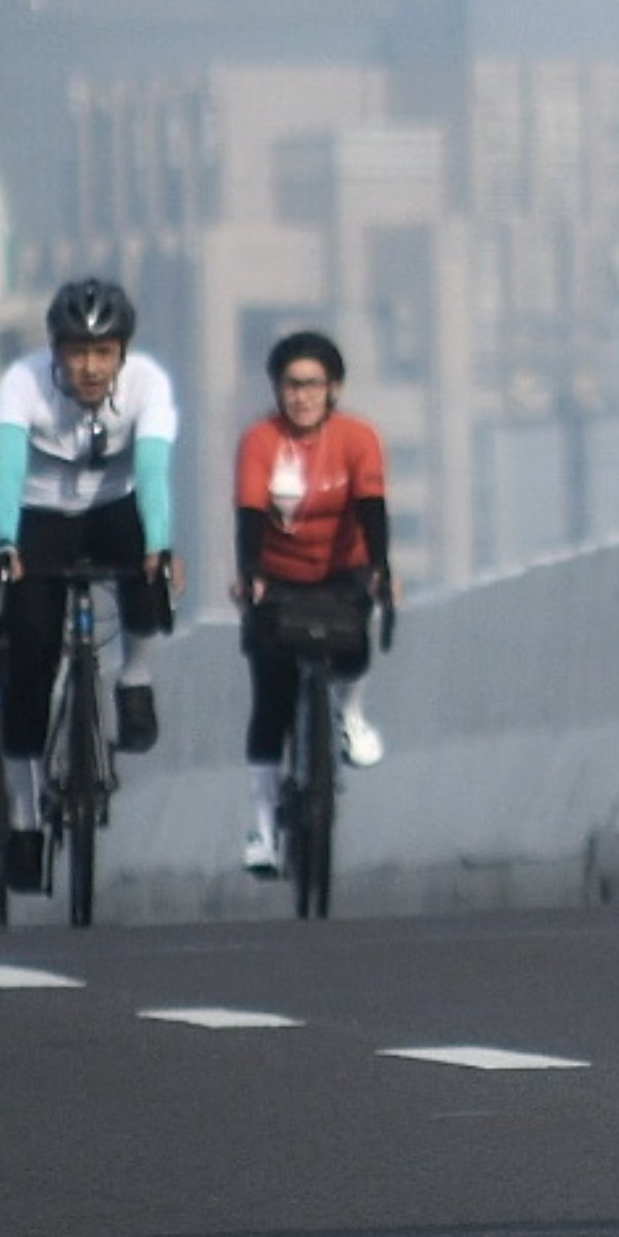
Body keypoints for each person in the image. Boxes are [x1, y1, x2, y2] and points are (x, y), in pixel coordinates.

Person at [0, 278, 181, 893]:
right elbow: (9, 468)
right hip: (41, 518)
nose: (90, 367)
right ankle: (23, 824)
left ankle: (135, 678)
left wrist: (158, 545)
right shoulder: (22, 382)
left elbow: (151, 471)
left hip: (113, 507)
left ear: (122, 353)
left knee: (149, 572)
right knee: (29, 664)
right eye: (76, 353)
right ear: (55, 353)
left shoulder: (149, 383)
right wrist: (5, 542)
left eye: (102, 353)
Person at [231, 329, 396, 877]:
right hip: (278, 575)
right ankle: (262, 827)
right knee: (271, 699)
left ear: (334, 389)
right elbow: (250, 513)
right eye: (291, 386)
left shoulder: (358, 438)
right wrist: (249, 574)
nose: (301, 397)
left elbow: (372, 505)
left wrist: (381, 569)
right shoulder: (261, 440)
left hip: (339, 568)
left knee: (353, 644)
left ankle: (348, 715)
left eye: (312, 386)